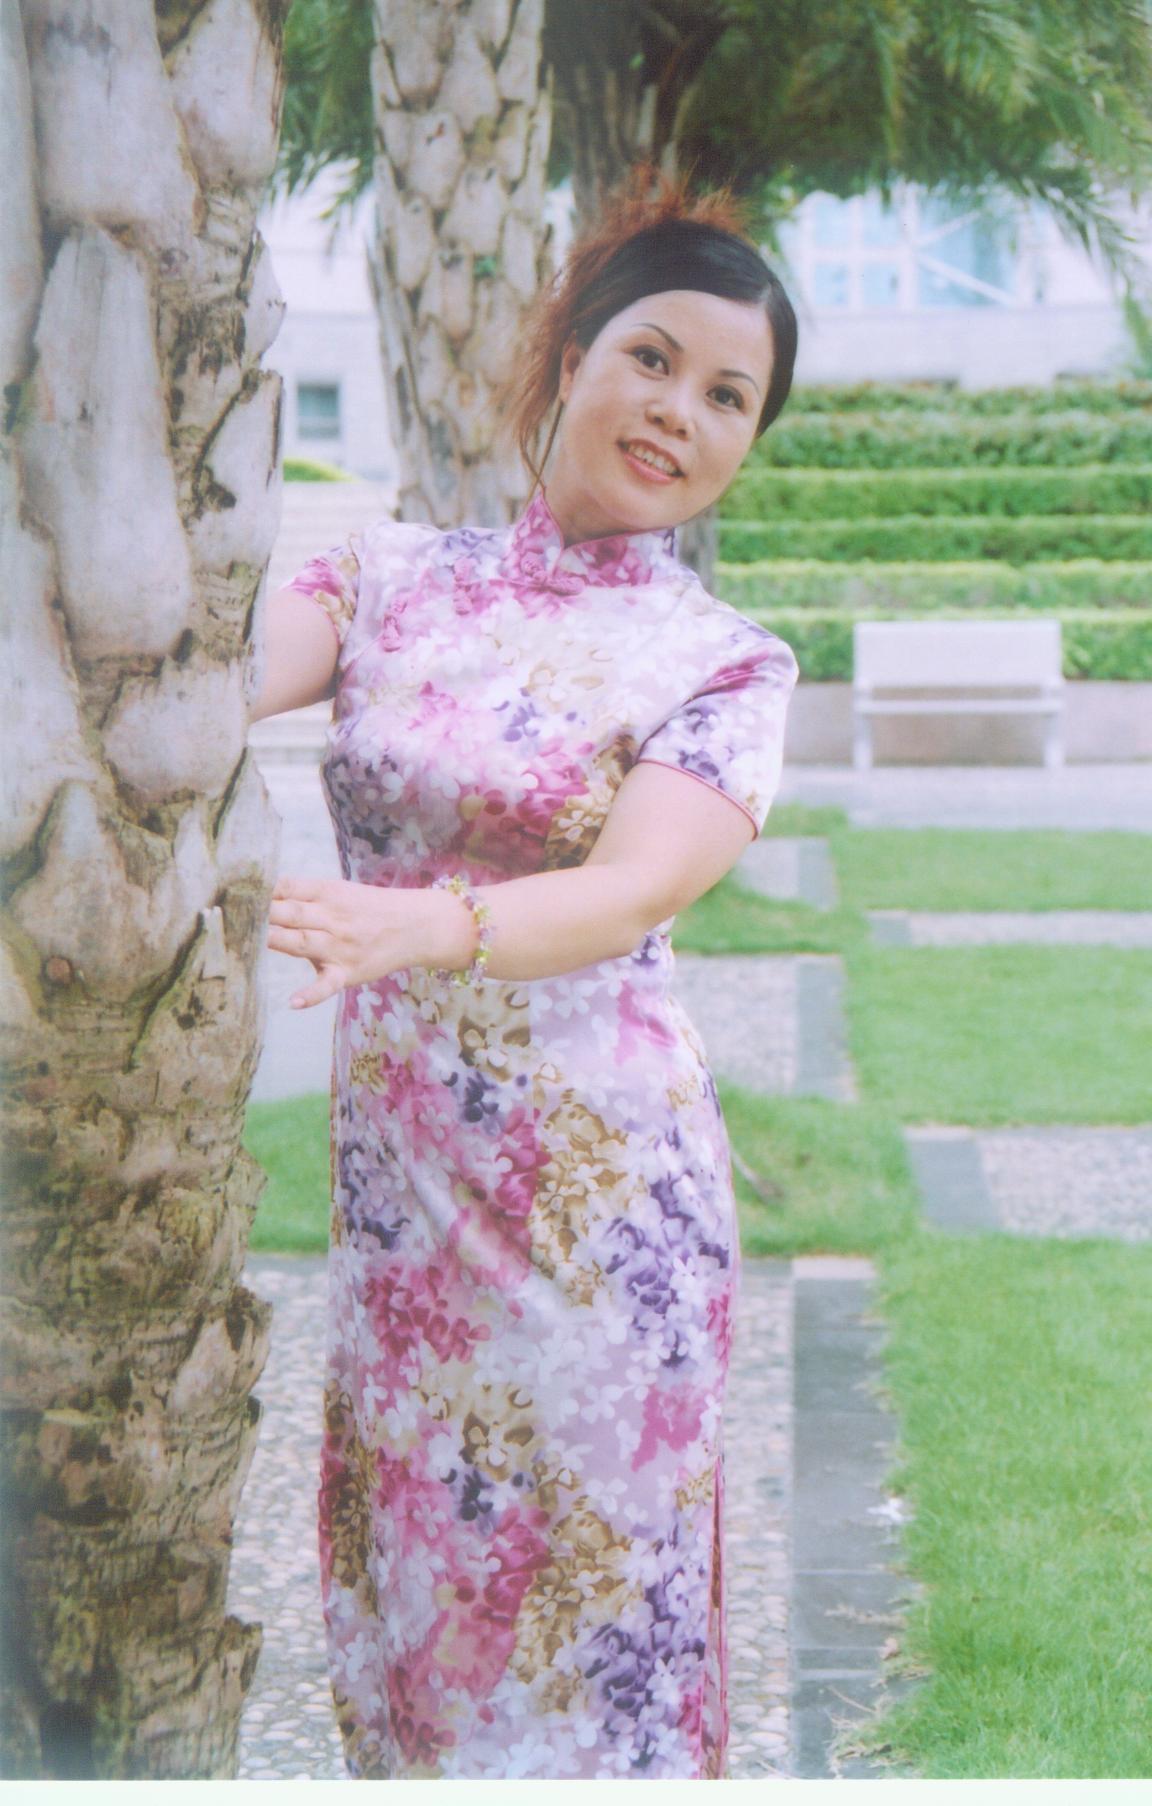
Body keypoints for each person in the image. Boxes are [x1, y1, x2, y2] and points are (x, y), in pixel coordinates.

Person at [251, 164, 801, 1781]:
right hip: (406, 1212)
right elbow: (194, 682)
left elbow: (632, 888)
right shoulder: (383, 577)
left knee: (586, 1642)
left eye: (728, 396)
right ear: (573, 354)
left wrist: (422, 925)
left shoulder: (724, 661)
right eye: (653, 357)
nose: (678, 411)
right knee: (421, 1616)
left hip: (601, 1216)